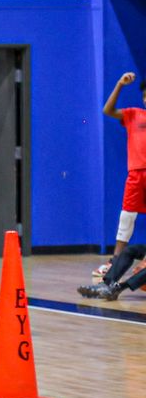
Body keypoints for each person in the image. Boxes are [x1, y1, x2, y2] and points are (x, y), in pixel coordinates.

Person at [81, 71, 146, 299]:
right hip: (136, 174)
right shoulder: (133, 115)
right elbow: (107, 110)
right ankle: (113, 267)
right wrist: (119, 84)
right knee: (127, 217)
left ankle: (117, 286)